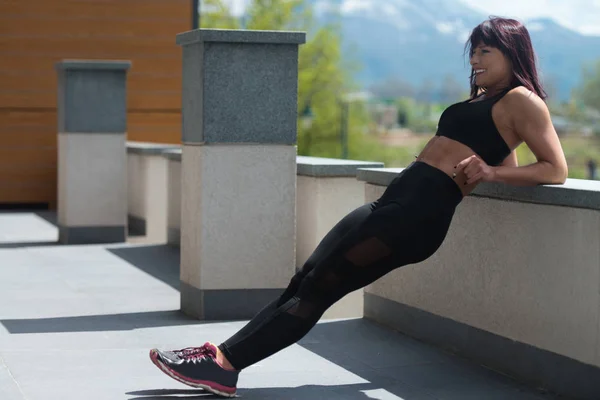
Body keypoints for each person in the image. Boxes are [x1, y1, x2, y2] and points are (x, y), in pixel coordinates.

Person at [149, 17, 568, 397]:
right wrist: (491, 167)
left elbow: (555, 169)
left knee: (319, 290)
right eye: (473, 51)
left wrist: (491, 175)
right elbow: (499, 152)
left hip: (417, 217)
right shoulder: (486, 100)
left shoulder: (523, 100)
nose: (474, 59)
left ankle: (224, 364)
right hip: (395, 202)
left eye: (485, 51)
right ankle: (221, 358)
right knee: (304, 279)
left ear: (513, 52)